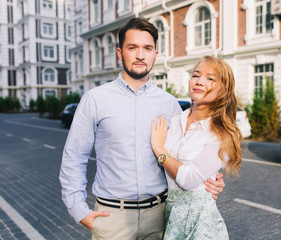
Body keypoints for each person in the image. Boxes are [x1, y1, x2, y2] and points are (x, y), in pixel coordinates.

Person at [59, 18, 225, 240]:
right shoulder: (95, 99)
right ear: (120, 53)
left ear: (155, 54)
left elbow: (186, 155)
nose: (140, 55)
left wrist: (210, 179)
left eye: (147, 48)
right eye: (132, 47)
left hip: (160, 216)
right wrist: (79, 210)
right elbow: (74, 157)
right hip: (112, 219)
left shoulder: (169, 104)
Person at [151, 56, 242, 239]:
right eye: (196, 75)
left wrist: (159, 150)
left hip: (200, 220)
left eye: (210, 78)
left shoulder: (222, 133)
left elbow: (189, 179)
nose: (200, 81)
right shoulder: (176, 120)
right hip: (169, 211)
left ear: (223, 89)